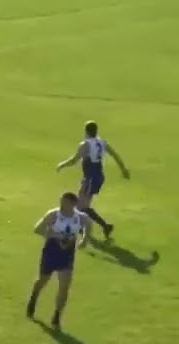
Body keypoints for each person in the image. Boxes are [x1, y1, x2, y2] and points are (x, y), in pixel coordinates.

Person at [56, 121, 128, 241]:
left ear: (86, 131)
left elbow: (74, 160)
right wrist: (123, 169)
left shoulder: (85, 144)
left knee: (81, 206)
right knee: (81, 204)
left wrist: (61, 165)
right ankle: (86, 227)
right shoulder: (102, 142)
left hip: (90, 177)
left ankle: (104, 226)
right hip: (98, 175)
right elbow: (115, 155)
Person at [26, 192, 88, 331]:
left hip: (67, 255)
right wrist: (53, 235)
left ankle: (56, 316)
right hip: (51, 251)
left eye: (64, 202)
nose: (61, 204)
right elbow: (37, 229)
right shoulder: (54, 215)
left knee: (64, 285)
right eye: (60, 201)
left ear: (72, 204)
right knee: (43, 280)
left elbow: (89, 225)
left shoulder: (80, 218)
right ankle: (33, 298)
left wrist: (85, 239)